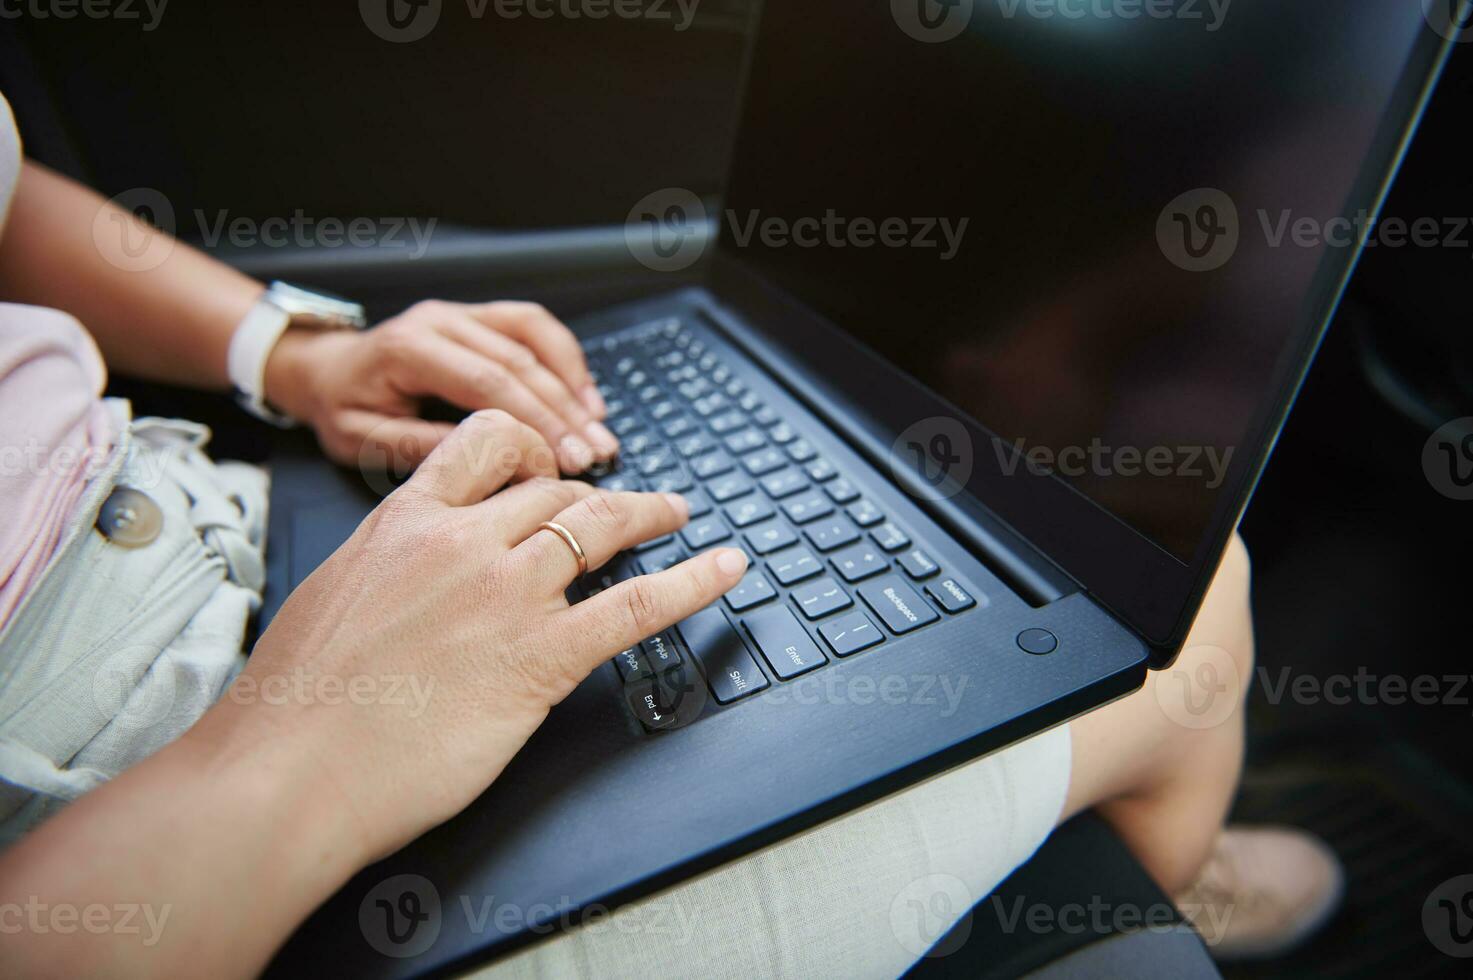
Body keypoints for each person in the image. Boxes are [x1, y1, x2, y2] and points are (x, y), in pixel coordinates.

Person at [0, 92, 1343, 977]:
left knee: (1052, 579)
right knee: (1182, 628)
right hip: (167, 840)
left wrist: (284, 349)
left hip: (175, 507)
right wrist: (292, 748)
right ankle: (1128, 885)